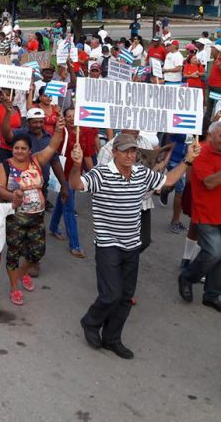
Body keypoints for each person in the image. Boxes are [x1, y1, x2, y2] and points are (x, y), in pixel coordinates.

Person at [71, 134, 199, 359]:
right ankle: (90, 322)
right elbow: (77, 184)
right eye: (125, 151)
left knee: (126, 296)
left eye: (133, 151)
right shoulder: (102, 173)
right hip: (108, 243)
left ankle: (112, 338)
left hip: (132, 244)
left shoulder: (141, 173)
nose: (130, 155)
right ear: (114, 152)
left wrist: (187, 160)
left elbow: (167, 181)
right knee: (111, 294)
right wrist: (76, 163)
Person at [0, 120, 64, 305]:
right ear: (12, 149)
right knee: (14, 253)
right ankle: (14, 288)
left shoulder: (36, 161)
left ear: (29, 150)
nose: (19, 151)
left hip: (37, 218)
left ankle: (22, 273)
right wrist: (11, 196)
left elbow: (53, 145)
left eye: (23, 148)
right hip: (15, 218)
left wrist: (58, 130)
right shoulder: (5, 167)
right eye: (16, 148)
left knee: (37, 252)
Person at [178, 121, 221, 312]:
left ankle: (211, 295)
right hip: (207, 212)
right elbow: (210, 183)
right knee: (213, 253)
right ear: (211, 136)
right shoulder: (201, 153)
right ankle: (187, 277)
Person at [49, 108, 97, 258]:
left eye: (73, 116)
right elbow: (52, 150)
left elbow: (88, 156)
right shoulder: (61, 131)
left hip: (75, 174)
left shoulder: (86, 132)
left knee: (63, 200)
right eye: (68, 116)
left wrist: (95, 176)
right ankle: (75, 245)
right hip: (62, 175)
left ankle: (53, 227)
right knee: (69, 207)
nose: (70, 118)